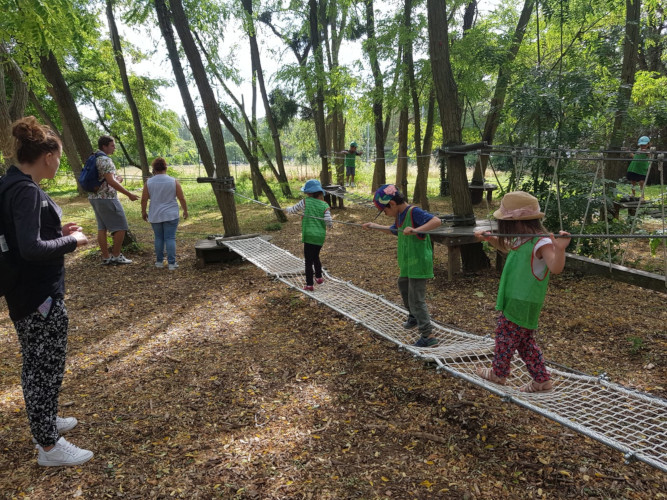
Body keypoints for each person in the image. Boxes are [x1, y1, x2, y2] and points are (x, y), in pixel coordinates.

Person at [0, 116, 93, 466]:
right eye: (59, 155)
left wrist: (57, 230)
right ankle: (49, 447)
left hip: (26, 291)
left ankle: (46, 418)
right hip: (38, 295)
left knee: (40, 363)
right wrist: (72, 240)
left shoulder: (11, 184)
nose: (59, 161)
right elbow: (30, 248)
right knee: (43, 367)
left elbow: (25, 236)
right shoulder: (25, 191)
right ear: (47, 156)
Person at [474, 191, 571, 393]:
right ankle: (541, 380)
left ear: (516, 221)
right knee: (525, 342)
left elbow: (555, 267)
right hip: (516, 297)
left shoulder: (542, 242)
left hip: (523, 299)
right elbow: (510, 248)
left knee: (504, 336)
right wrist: (490, 238)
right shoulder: (523, 238)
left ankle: (498, 374)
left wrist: (560, 249)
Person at [362, 184, 442, 347]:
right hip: (408, 264)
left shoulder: (413, 212)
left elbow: (436, 221)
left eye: (385, 211)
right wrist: (374, 226)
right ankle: (413, 316)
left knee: (416, 299)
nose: (385, 214)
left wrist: (416, 229)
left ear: (391, 204)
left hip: (419, 264)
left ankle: (428, 336)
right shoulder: (399, 216)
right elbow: (394, 230)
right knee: (403, 285)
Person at [88, 135, 139, 265]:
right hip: (107, 197)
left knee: (102, 228)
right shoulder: (105, 160)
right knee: (122, 226)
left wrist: (116, 180)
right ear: (104, 146)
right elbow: (110, 181)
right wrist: (129, 194)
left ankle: (106, 257)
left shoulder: (94, 158)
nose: (114, 148)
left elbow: (104, 179)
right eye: (112, 145)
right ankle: (116, 255)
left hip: (94, 197)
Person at [284, 179, 333, 291]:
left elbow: (293, 210)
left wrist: (286, 210)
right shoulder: (324, 204)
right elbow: (328, 220)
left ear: (309, 193)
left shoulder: (305, 201)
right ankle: (319, 278)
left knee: (308, 261)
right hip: (319, 236)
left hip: (309, 235)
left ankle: (309, 284)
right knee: (316, 256)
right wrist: (330, 225)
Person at [141, 158, 188, 270]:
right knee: (170, 238)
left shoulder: (149, 182)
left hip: (155, 214)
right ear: (165, 167)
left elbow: (144, 199)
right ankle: (172, 263)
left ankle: (159, 262)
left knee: (158, 238)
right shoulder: (173, 181)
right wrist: (185, 210)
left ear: (154, 169)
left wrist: (143, 211)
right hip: (171, 214)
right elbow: (181, 197)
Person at [626, 136, 651, 200]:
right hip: (634, 168)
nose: (642, 146)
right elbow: (634, 157)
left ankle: (642, 196)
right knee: (633, 181)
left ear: (648, 144)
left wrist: (646, 151)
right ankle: (633, 193)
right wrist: (629, 151)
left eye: (644, 145)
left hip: (642, 169)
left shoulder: (648, 151)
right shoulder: (638, 150)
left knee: (641, 182)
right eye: (641, 145)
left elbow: (650, 156)